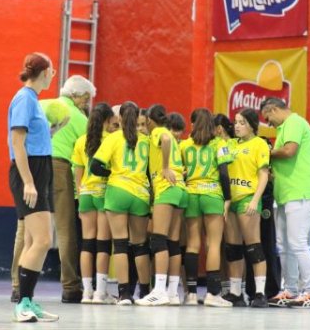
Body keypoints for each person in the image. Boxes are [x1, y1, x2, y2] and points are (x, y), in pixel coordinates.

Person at [7, 52, 59, 322]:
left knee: (32, 240)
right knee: (43, 240)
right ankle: (22, 303)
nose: (54, 74)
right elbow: (17, 142)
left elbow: (33, 139)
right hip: (30, 173)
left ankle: (28, 301)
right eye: (52, 70)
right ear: (44, 72)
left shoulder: (34, 100)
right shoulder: (24, 98)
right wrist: (28, 181)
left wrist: (50, 133)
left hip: (40, 169)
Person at [260, 97, 310, 308]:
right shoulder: (283, 128)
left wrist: (265, 153)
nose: (269, 124)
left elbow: (289, 151)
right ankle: (291, 289)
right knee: (283, 246)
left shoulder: (294, 123)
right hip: (285, 195)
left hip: (301, 193)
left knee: (297, 243)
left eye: (268, 118)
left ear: (274, 109)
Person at [90, 101, 151, 305]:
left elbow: (95, 167)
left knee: (120, 245)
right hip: (141, 194)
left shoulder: (114, 138)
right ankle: (145, 292)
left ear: (120, 118)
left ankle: (125, 294)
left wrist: (112, 173)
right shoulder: (146, 141)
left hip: (118, 191)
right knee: (141, 245)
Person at [136, 104, 188, 306]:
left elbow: (165, 140)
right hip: (181, 189)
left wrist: (165, 167)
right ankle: (173, 293)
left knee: (159, 240)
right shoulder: (168, 133)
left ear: (149, 120)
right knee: (173, 243)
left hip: (166, 188)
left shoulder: (159, 132)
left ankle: (158, 291)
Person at [180, 108, 233, 307]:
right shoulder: (220, 144)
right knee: (213, 244)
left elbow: (182, 171)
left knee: (193, 244)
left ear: (192, 124)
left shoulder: (184, 145)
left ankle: (191, 294)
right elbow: (224, 174)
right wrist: (227, 199)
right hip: (212, 195)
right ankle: (213, 293)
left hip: (191, 194)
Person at [217, 109, 270, 308]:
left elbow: (263, 175)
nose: (237, 125)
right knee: (233, 249)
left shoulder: (259, 144)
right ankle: (235, 293)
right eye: (236, 122)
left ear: (251, 125)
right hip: (231, 201)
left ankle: (259, 293)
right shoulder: (230, 144)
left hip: (248, 199)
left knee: (254, 247)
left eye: (241, 122)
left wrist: (255, 201)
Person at [52, 75, 97, 303]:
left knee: (26, 229)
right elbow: (86, 154)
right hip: (60, 169)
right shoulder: (79, 119)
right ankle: (70, 287)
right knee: (66, 229)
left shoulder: (48, 106)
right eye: (86, 99)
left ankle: (18, 285)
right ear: (76, 95)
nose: (86, 104)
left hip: (34, 165)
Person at [72, 102, 118, 304]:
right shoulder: (111, 139)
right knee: (102, 244)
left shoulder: (81, 141)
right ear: (107, 120)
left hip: (85, 195)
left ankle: (86, 292)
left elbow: (78, 171)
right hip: (103, 193)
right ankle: (100, 292)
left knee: (87, 243)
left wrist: (81, 191)